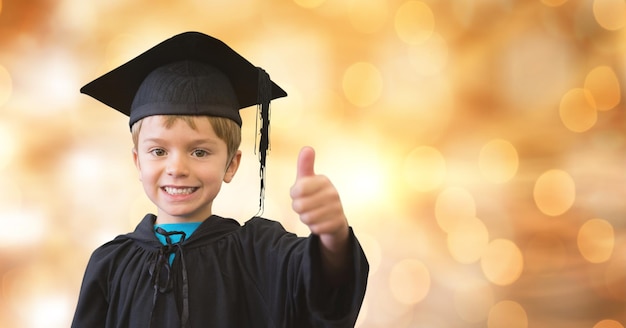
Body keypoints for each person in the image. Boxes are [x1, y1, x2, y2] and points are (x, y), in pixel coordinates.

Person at [70, 31, 369, 328]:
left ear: (231, 164)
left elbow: (323, 290)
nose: (177, 168)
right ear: (138, 162)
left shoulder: (257, 251)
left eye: (199, 152)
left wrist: (333, 235)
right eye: (158, 151)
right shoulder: (110, 264)